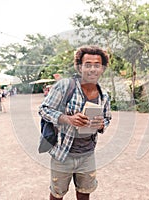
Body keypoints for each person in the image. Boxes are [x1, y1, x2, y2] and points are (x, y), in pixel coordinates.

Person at [39, 45, 112, 200]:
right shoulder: (65, 86)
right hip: (62, 154)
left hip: (88, 154)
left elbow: (107, 118)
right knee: (57, 194)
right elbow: (44, 109)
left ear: (103, 68)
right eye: (88, 64)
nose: (92, 69)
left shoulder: (103, 95)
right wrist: (67, 119)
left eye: (97, 65)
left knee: (85, 193)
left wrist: (101, 124)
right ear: (80, 67)